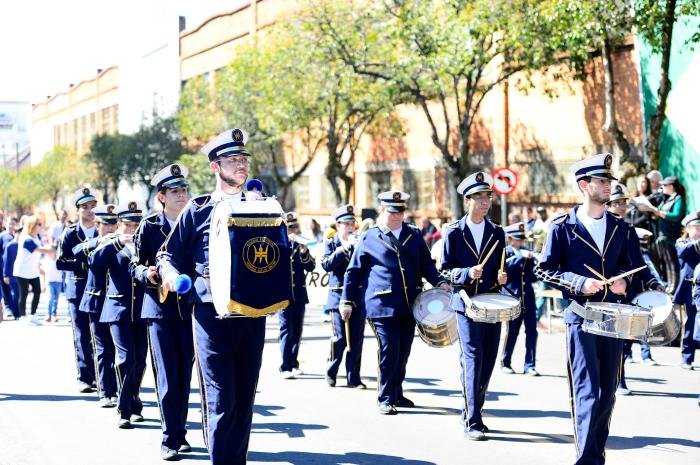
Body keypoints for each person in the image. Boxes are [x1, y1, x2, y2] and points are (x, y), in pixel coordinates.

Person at [157, 128, 288, 465]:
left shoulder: (264, 207)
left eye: (243, 159)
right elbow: (167, 255)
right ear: (215, 167)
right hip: (211, 316)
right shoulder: (198, 209)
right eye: (232, 160)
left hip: (253, 314)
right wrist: (172, 277)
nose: (241, 165)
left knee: (244, 402)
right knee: (221, 401)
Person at [535, 153, 634, 464]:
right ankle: (586, 458)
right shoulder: (563, 226)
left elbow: (633, 267)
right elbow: (545, 269)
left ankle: (596, 454)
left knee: (608, 391)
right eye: (602, 181)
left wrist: (625, 284)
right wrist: (578, 282)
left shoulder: (621, 227)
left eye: (609, 181)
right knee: (587, 391)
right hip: (581, 316)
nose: (608, 187)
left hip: (614, 318)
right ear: (583, 185)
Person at [340, 191, 447, 416]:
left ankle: (397, 391)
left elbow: (427, 265)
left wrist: (440, 282)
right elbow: (354, 272)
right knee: (389, 349)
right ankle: (385, 396)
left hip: (410, 303)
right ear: (382, 211)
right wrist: (346, 301)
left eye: (400, 211)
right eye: (392, 211)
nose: (397, 215)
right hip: (381, 304)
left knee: (403, 350)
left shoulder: (414, 235)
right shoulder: (370, 237)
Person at [130, 164, 194, 460]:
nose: (182, 196)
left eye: (184, 191)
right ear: (162, 197)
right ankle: (171, 437)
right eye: (175, 192)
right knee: (167, 376)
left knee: (184, 375)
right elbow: (135, 265)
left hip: (192, 311)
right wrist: (148, 274)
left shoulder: (195, 223)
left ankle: (180, 432)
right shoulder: (150, 226)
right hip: (159, 310)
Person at [440, 172, 508, 440]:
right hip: (466, 303)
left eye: (487, 196)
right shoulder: (454, 233)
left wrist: (502, 277)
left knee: (488, 360)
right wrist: (466, 273)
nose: (484, 202)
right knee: (473, 358)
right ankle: (473, 420)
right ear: (467, 200)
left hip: (491, 304)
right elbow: (445, 270)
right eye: (478, 197)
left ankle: (472, 409)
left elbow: (501, 268)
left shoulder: (497, 232)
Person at [83, 202, 147, 429]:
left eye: (136, 224)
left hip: (141, 311)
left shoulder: (145, 242)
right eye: (128, 225)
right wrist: (117, 241)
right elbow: (94, 262)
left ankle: (134, 400)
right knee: (126, 358)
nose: (132, 229)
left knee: (140, 361)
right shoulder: (111, 244)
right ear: (119, 225)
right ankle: (124, 409)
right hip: (117, 310)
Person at [606, 182, 664, 395]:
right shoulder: (602, 228)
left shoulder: (629, 231)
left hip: (629, 294)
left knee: (626, 338)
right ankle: (613, 380)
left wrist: (653, 283)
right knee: (611, 340)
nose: (621, 207)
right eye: (616, 203)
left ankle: (618, 380)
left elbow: (640, 264)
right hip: (606, 292)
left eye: (623, 203)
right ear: (607, 205)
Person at [77, 204, 120, 408]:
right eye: (106, 224)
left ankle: (120, 391)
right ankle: (105, 391)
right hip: (96, 301)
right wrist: (100, 242)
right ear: (98, 224)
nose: (110, 229)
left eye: (113, 224)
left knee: (119, 350)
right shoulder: (93, 242)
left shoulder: (121, 242)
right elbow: (76, 251)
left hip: (117, 302)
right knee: (102, 349)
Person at [57, 187, 99, 393]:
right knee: (82, 335)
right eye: (85, 207)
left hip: (100, 289)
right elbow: (61, 262)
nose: (89, 210)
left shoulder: (102, 230)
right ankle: (85, 377)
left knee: (100, 335)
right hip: (77, 290)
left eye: (92, 206)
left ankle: (103, 376)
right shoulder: (71, 233)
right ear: (77, 210)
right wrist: (84, 263)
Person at [321, 204, 365, 389]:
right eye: (346, 223)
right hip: (337, 296)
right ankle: (331, 371)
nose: (350, 227)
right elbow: (326, 265)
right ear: (338, 225)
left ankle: (353, 377)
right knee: (339, 337)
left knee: (356, 339)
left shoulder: (359, 242)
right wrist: (343, 250)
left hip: (357, 296)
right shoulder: (331, 243)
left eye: (352, 223)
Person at [279, 212, 316, 378]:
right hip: (284, 295)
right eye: (290, 227)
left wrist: (303, 253)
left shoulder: (302, 245)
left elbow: (311, 267)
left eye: (295, 226)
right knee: (286, 330)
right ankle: (285, 365)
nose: (293, 230)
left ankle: (294, 363)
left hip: (299, 294)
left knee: (297, 330)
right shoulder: (279, 244)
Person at [500, 222, 539, 377]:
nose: (521, 242)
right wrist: (519, 257)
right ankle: (506, 361)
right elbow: (504, 270)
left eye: (522, 239)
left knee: (532, 332)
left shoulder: (526, 253)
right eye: (517, 239)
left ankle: (530, 365)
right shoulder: (506, 253)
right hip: (512, 298)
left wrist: (536, 266)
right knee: (512, 332)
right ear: (510, 239)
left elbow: (531, 277)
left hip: (528, 298)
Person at [647, 176, 686, 292]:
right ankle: (670, 284)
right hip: (663, 235)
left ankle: (675, 287)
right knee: (667, 263)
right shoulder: (666, 199)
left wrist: (658, 212)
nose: (662, 187)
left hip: (671, 236)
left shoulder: (679, 199)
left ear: (671, 186)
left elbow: (676, 216)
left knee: (672, 262)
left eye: (665, 185)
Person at [13, 215, 53, 323]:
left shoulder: (37, 237)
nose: (40, 226)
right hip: (22, 271)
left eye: (40, 224)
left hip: (33, 270)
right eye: (38, 224)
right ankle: (22, 317)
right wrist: (54, 248)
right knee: (24, 293)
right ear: (31, 225)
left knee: (37, 291)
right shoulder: (26, 239)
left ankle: (33, 315)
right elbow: (41, 250)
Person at [674, 212, 700, 370]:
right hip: (689, 290)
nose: (698, 231)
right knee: (689, 323)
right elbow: (683, 252)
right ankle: (686, 358)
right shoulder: (681, 242)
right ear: (688, 229)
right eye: (695, 228)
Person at [0, 217, 19, 319]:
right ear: (5, 224)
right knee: (6, 290)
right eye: (9, 223)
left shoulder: (18, 237)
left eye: (13, 224)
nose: (11, 226)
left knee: (16, 292)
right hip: (4, 269)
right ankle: (9, 310)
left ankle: (17, 311)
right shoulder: (2, 236)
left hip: (16, 269)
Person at [41, 246, 62, 322]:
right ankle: (48, 314)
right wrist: (43, 284)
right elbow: (42, 273)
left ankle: (54, 315)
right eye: (49, 251)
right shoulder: (46, 260)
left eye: (52, 251)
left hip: (58, 282)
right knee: (50, 298)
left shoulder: (59, 260)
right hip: (49, 282)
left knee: (56, 299)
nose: (50, 253)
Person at [3, 233, 20, 321]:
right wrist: (5, 275)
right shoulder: (10, 246)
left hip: (20, 275)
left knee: (19, 294)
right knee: (15, 294)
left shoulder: (22, 245)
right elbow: (5, 261)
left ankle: (18, 313)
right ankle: (16, 313)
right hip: (11, 275)